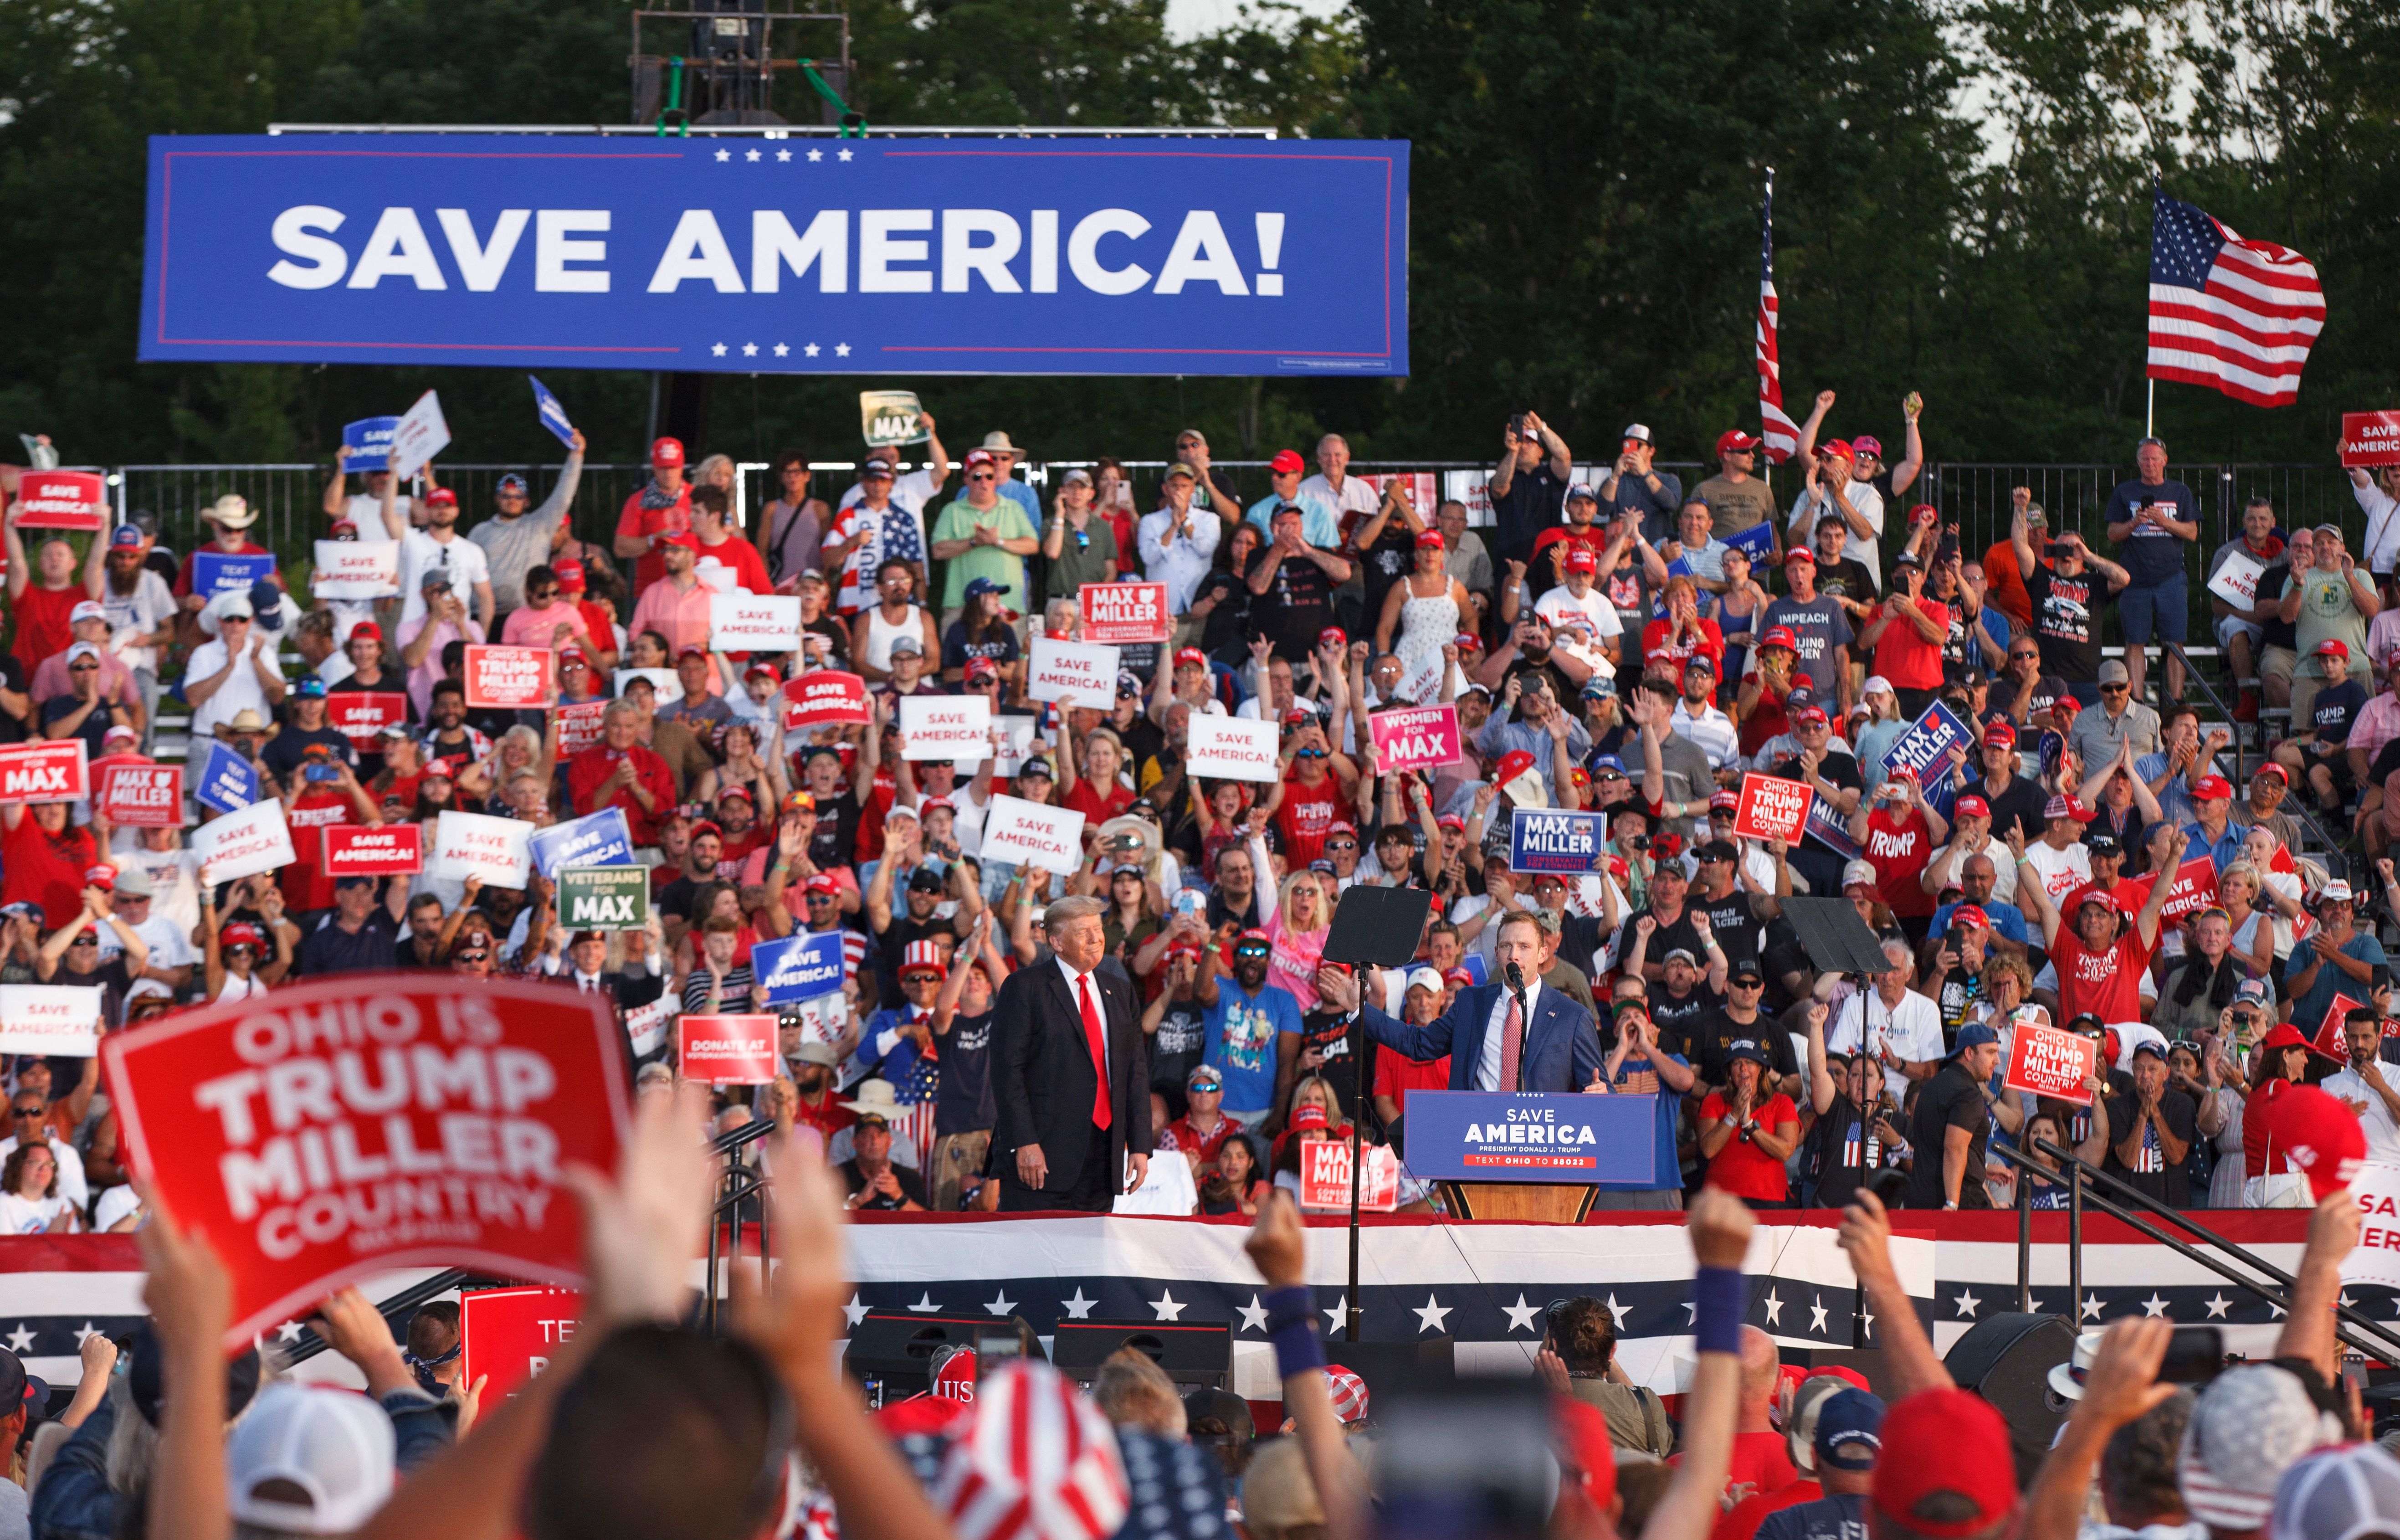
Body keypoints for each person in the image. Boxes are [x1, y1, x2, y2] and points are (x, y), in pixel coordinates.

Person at [1318, 910, 1604, 1092]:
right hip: (1477, 1146)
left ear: (1542, 954)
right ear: (1497, 952)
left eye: (1524, 947)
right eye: (1507, 946)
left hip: (1543, 1157)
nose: (1514, 955)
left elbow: (1599, 1087)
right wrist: (1360, 1009)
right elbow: (1419, 1045)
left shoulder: (1572, 1016)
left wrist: (1600, 1095)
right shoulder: (1471, 1003)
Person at [990, 893, 1150, 1211]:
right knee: (1033, 1257)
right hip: (1041, 1160)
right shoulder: (1024, 987)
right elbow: (1007, 1071)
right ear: (1057, 942)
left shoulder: (1119, 991)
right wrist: (1025, 1142)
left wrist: (1141, 1145)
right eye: (1082, 932)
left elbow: (1135, 1071)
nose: (1095, 939)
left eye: (1098, 929)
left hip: (1103, 1161)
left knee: (1091, 1259)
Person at [2103, 437, 2202, 704]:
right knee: (2135, 641)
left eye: (2154, 459)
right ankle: (2136, 699)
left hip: (2171, 577)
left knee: (2174, 641)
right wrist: (2134, 522)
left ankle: (2177, 700)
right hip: (2134, 578)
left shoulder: (2180, 492)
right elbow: (2113, 534)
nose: (2150, 464)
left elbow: (2192, 532)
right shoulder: (2125, 492)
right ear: (2138, 462)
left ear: (2165, 461)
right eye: (2145, 459)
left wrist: (2165, 521)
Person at [2012, 506, 2128, 704]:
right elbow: (2020, 548)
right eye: (2061, 549)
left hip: (2087, 680)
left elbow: (2124, 578)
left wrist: (2088, 555)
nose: (2067, 555)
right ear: (2053, 552)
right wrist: (2020, 508)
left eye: (2072, 549)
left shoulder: (2095, 583)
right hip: (2047, 678)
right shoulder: (2041, 578)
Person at [1902, 1022, 2002, 1208]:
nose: (1997, 1060)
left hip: (1919, 1201)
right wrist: (1952, 1203)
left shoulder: (1931, 1086)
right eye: (1990, 1052)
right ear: (1969, 1053)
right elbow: (1954, 1148)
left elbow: (1936, 1148)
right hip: (1961, 1205)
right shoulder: (1968, 1093)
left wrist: (1983, 1169)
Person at [1698, 1040, 1800, 1206]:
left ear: (1761, 1069)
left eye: (1750, 1063)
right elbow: (1708, 1150)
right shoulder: (1714, 1101)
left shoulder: (1782, 1102)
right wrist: (1734, 1115)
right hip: (1721, 1200)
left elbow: (1786, 1151)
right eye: (1737, 1063)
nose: (1743, 1069)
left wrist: (1750, 1126)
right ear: (1730, 1072)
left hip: (1770, 1199)